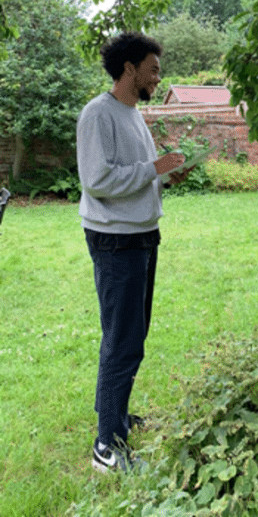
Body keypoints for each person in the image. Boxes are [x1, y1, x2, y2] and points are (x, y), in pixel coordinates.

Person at [77, 32, 188, 473]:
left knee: (132, 337)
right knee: (122, 341)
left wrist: (162, 179)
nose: (159, 78)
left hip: (142, 234)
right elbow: (98, 180)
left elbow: (136, 176)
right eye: (154, 69)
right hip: (116, 239)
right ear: (129, 69)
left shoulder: (133, 113)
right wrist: (154, 169)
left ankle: (116, 416)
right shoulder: (97, 114)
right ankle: (107, 448)